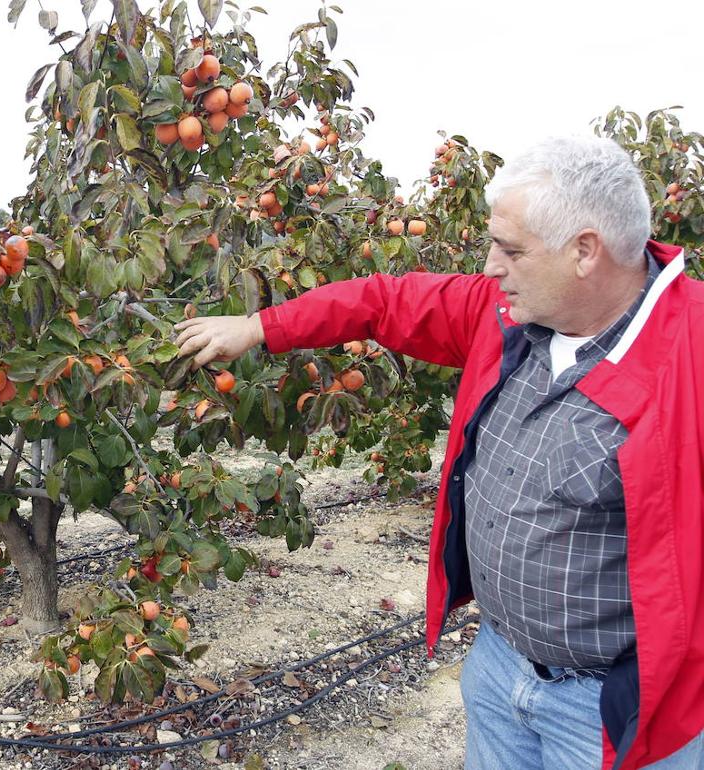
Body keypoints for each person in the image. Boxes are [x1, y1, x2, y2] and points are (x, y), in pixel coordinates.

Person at [174, 136, 704, 770]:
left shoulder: (690, 358)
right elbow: (383, 301)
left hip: (615, 711)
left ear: (584, 251)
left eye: (510, 250)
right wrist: (261, 328)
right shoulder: (507, 314)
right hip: (500, 665)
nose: (488, 267)